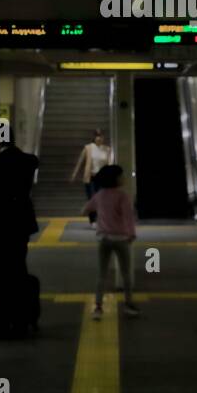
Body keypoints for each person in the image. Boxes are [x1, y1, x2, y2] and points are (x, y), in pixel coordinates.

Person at [0, 122, 40, 340]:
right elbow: (30, 161)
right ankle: (21, 323)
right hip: (19, 227)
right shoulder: (28, 162)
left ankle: (1, 326)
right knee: (18, 272)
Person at [83, 163, 139, 320]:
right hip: (121, 239)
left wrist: (101, 214)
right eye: (121, 175)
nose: (124, 178)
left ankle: (98, 308)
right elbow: (129, 217)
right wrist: (131, 234)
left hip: (103, 238)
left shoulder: (100, 194)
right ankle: (128, 305)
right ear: (115, 178)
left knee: (101, 274)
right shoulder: (122, 195)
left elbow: (85, 210)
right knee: (126, 273)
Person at [69, 129, 112, 222]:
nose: (99, 138)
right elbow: (80, 162)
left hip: (102, 178)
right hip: (90, 177)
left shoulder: (107, 149)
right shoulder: (88, 148)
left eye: (101, 136)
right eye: (97, 136)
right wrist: (74, 174)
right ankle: (93, 220)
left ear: (103, 138)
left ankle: (100, 219)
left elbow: (110, 164)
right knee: (92, 198)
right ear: (94, 137)